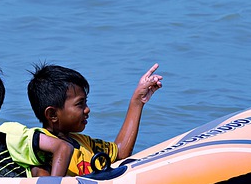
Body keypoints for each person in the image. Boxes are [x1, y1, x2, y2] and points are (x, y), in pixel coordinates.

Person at [27, 62, 163, 176]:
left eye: (86, 102)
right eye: (80, 104)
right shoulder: (40, 148)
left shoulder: (83, 142)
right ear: (52, 114)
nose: (87, 109)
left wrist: (137, 100)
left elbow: (120, 153)